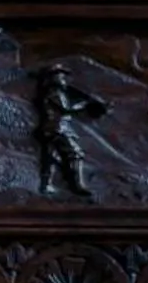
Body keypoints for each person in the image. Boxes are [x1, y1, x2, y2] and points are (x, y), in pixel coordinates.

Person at [34, 65, 106, 198]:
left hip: (52, 129)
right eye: (61, 77)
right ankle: (78, 185)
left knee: (51, 157)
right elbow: (66, 109)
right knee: (75, 153)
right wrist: (85, 104)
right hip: (57, 129)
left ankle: (46, 185)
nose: (64, 80)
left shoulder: (53, 92)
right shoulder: (55, 93)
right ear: (53, 79)